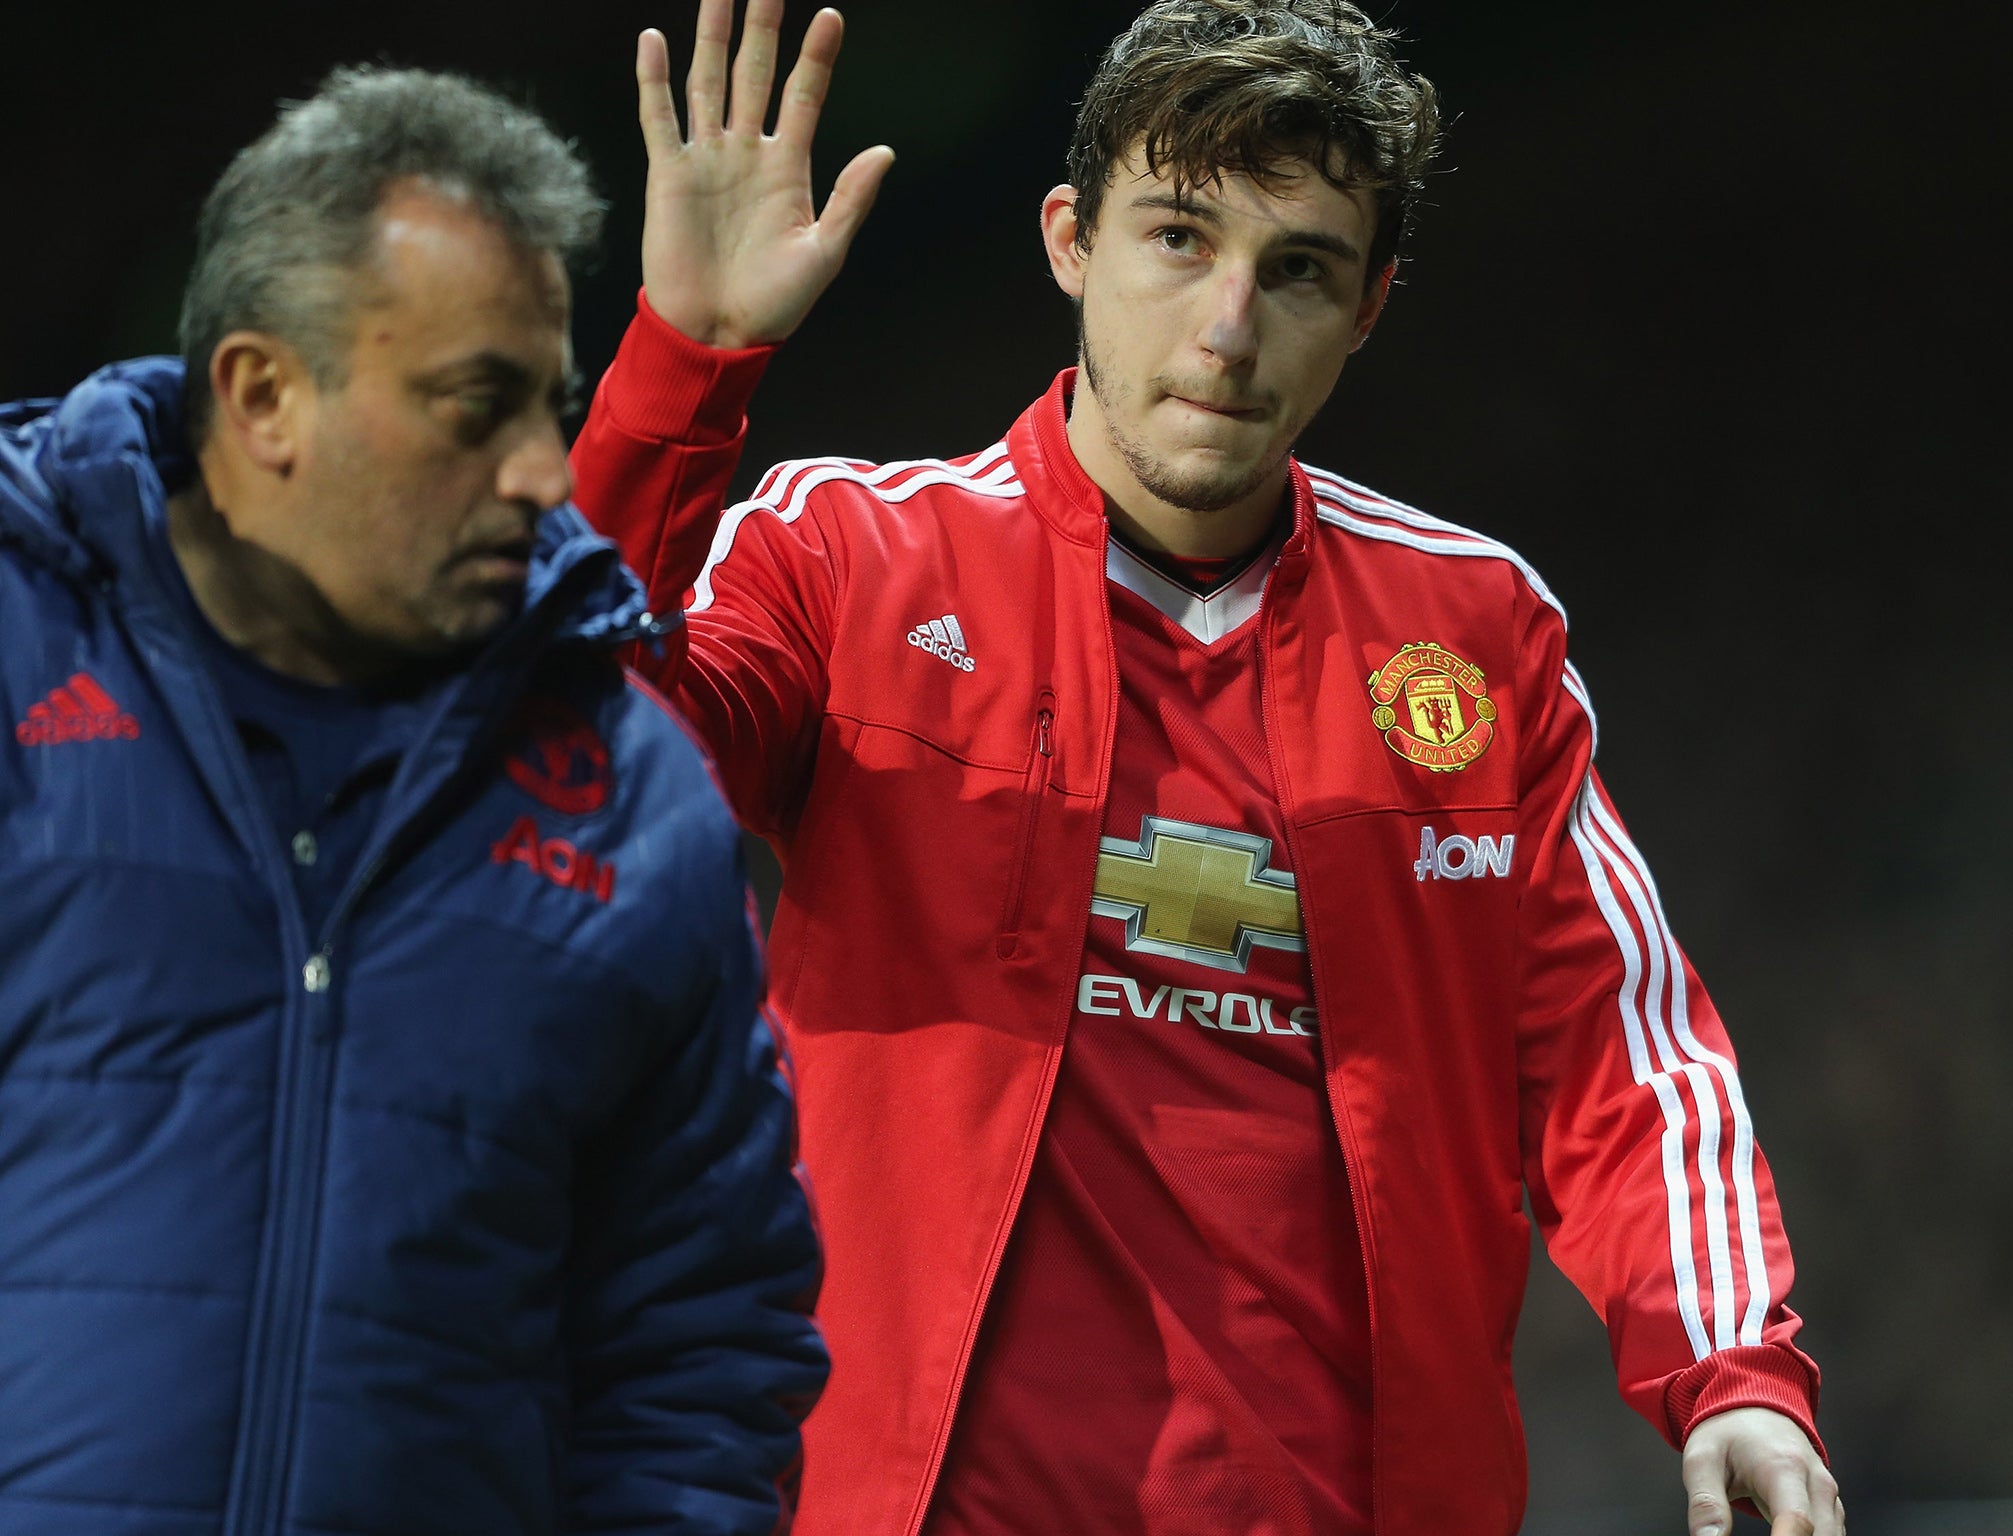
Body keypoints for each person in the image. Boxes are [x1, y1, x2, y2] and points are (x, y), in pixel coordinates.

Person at [569, 2, 1842, 1533]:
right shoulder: (850, 554)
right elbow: (582, 765)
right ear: (1069, 241)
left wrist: (1734, 1373)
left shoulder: (1474, 631)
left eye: (1295, 268)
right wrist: (682, 369)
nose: (1228, 328)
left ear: (1368, 306)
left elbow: (1622, 1061)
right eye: (1178, 238)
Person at [0, 64, 826, 1536]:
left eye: (552, 410)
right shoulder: (17, 658)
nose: (536, 472)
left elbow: (699, 1356)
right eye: (474, 407)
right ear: (262, 396)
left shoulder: (635, 809)